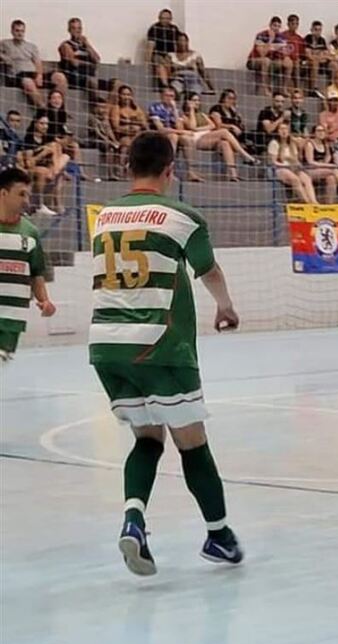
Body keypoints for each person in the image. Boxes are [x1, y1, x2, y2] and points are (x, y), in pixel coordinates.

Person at [89, 131, 243, 576]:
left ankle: (134, 519)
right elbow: (208, 270)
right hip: (158, 348)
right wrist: (226, 307)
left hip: (106, 348)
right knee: (192, 444)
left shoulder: (102, 217)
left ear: (126, 167)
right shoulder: (182, 217)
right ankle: (219, 536)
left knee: (147, 439)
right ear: (170, 170)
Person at [0, 167, 56, 363]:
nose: (26, 200)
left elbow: (36, 272)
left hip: (12, 319)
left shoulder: (30, 232)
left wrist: (45, 300)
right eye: (21, 194)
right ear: (3, 193)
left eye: (28, 195)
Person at [180, 92, 258, 182]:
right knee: (224, 132)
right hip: (196, 139)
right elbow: (192, 126)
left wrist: (199, 129)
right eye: (194, 100)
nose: (197, 102)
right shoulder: (184, 116)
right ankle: (245, 155)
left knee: (225, 143)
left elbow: (212, 125)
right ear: (187, 102)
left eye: (198, 100)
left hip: (207, 136)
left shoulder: (202, 114)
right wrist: (191, 110)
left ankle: (233, 174)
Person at [1, 20, 69, 108]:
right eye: (17, 31)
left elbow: (37, 62)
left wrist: (39, 75)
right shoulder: (5, 44)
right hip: (18, 75)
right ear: (12, 31)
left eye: (22, 31)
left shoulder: (31, 46)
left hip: (33, 72)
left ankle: (56, 105)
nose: (20, 34)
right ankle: (44, 108)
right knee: (28, 82)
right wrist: (4, 57)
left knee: (60, 77)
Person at [20, 114, 69, 215]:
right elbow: (29, 164)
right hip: (34, 168)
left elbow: (57, 156)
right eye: (42, 123)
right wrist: (43, 153)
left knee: (65, 156)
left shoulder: (47, 139)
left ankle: (54, 173)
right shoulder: (29, 139)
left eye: (46, 124)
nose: (45, 126)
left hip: (49, 168)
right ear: (35, 124)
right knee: (48, 172)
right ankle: (40, 205)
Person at [304, 123, 338, 203]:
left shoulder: (326, 144)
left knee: (331, 179)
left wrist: (326, 161)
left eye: (323, 131)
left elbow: (328, 156)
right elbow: (310, 162)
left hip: (322, 170)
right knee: (334, 171)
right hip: (310, 170)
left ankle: (329, 204)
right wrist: (328, 165)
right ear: (314, 133)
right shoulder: (310, 144)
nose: (321, 133)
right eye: (319, 131)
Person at [268, 122, 317, 204]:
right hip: (279, 168)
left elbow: (295, 159)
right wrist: (288, 164)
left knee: (307, 179)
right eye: (281, 129)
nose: (284, 131)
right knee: (295, 179)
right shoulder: (274, 143)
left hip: (293, 167)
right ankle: (308, 203)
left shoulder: (292, 143)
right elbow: (274, 162)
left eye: (286, 129)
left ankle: (314, 201)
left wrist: (292, 161)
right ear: (277, 131)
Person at [247, 17, 293, 97]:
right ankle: (265, 89)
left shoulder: (281, 38)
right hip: (254, 60)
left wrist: (286, 57)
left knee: (289, 63)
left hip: (271, 61)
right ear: (270, 25)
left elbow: (283, 53)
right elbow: (262, 54)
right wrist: (271, 40)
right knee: (266, 60)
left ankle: (284, 89)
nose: (276, 28)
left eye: (278, 26)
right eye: (275, 26)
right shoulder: (261, 35)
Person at [58, 17, 100, 94]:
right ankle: (95, 104)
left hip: (90, 76)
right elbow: (74, 63)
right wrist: (90, 64)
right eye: (74, 28)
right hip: (74, 77)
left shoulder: (86, 46)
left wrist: (87, 44)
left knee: (116, 83)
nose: (77, 31)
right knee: (92, 81)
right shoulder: (66, 45)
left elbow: (97, 60)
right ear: (69, 30)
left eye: (79, 28)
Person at [144, 9, 183, 91]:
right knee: (160, 63)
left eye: (167, 18)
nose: (165, 20)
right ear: (159, 18)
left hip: (170, 55)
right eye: (163, 18)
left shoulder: (174, 29)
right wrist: (147, 61)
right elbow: (150, 46)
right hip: (158, 54)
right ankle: (165, 85)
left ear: (171, 19)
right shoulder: (154, 29)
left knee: (171, 63)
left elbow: (178, 45)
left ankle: (173, 84)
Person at [109, 85, 147, 163]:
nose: (126, 97)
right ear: (119, 96)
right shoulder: (116, 108)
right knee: (126, 143)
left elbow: (145, 125)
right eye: (124, 94)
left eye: (128, 95)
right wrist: (129, 129)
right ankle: (121, 169)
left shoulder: (137, 109)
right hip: (122, 136)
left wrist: (137, 126)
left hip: (137, 135)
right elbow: (116, 127)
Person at [89, 101, 121, 180]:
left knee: (117, 146)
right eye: (100, 107)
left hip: (105, 140)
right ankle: (110, 174)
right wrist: (109, 141)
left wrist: (114, 140)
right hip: (94, 139)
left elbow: (109, 130)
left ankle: (118, 172)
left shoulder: (105, 119)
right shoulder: (92, 118)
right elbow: (98, 133)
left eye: (104, 107)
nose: (103, 110)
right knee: (109, 146)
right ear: (95, 108)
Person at [302, 20, 332, 94]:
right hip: (307, 62)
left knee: (333, 64)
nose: (318, 32)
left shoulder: (322, 40)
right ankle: (313, 89)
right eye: (316, 30)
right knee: (315, 63)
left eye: (320, 30)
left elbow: (327, 56)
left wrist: (317, 55)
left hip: (320, 62)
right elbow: (308, 55)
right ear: (312, 30)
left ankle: (332, 88)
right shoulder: (307, 38)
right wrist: (319, 55)